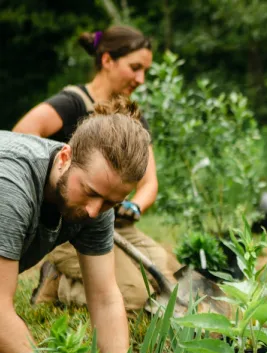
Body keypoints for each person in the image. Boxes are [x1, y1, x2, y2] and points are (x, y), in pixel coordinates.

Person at [13, 25, 178, 310]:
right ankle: (60, 283)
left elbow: (149, 182)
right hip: (71, 223)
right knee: (134, 296)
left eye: (145, 71)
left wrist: (134, 206)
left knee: (169, 276)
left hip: (112, 226)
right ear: (107, 61)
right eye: (135, 67)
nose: (140, 79)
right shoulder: (72, 103)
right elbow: (20, 139)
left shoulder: (132, 120)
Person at [0, 98, 150, 353]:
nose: (95, 211)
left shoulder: (97, 203)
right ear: (65, 157)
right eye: (90, 192)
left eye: (110, 202)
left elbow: (105, 299)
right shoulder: (10, 185)